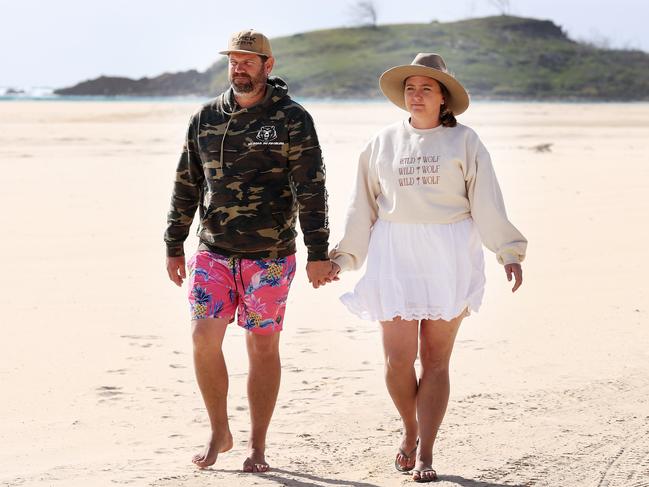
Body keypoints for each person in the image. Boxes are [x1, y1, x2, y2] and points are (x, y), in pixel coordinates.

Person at [328, 53, 527, 482]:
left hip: (448, 252)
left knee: (435, 362)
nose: (416, 96)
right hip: (394, 252)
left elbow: (487, 203)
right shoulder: (381, 142)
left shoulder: (466, 142)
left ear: (443, 98)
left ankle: (427, 453)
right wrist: (345, 256)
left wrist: (509, 251)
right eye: (410, 89)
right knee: (398, 361)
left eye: (426, 88)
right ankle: (410, 428)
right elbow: (360, 205)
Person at [164, 29, 335, 473]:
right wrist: (173, 243)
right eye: (234, 61)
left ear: (267, 66)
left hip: (271, 254)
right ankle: (219, 430)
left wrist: (318, 251)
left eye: (248, 60)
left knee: (262, 348)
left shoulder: (292, 119)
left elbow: (312, 189)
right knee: (204, 338)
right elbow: (187, 182)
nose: (239, 67)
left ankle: (258, 445)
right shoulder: (205, 118)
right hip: (213, 251)